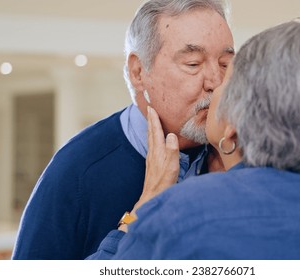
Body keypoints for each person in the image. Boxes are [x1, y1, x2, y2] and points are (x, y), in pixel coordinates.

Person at [88, 18, 300, 259]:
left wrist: (143, 208)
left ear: (232, 126)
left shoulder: (185, 211)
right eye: (194, 64)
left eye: (226, 76)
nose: (213, 84)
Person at [12, 0, 234, 260]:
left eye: (225, 64)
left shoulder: (239, 157)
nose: (216, 82)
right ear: (139, 71)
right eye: (193, 64)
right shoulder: (77, 170)